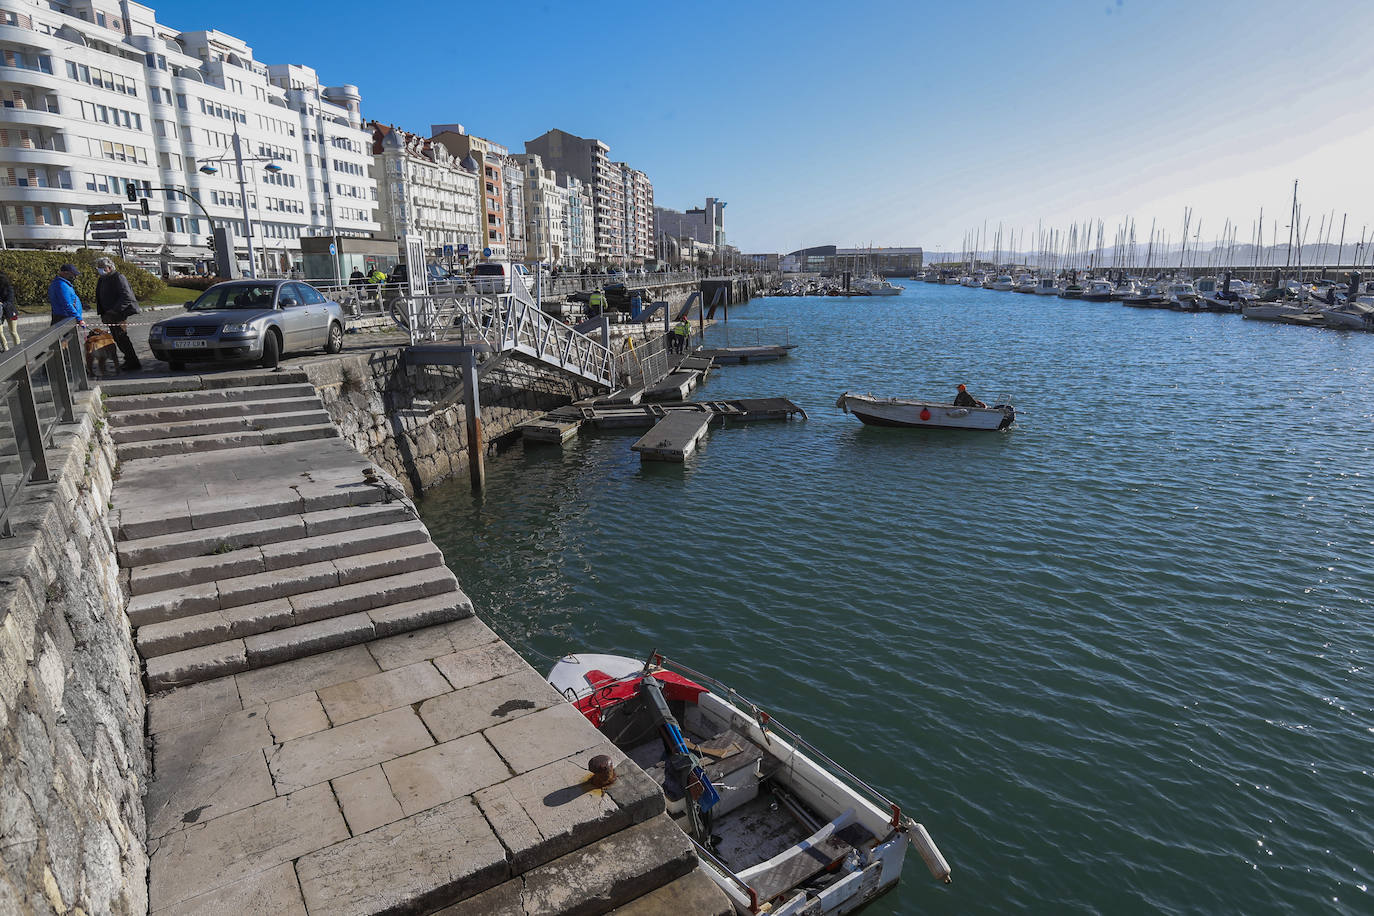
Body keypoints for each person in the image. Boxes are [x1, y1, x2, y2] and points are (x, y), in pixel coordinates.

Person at [94, 257, 142, 371]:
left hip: (118, 314)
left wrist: (114, 311)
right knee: (117, 338)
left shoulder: (118, 277)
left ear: (109, 268)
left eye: (102, 268)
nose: (100, 270)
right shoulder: (102, 279)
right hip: (109, 314)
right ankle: (129, 360)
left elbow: (126, 297)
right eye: (99, 268)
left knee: (122, 337)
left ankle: (133, 361)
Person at [47, 264, 86, 328]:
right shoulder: (61, 285)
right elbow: (67, 304)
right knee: (68, 337)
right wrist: (79, 319)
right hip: (64, 317)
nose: (74, 277)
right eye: (73, 274)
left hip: (66, 316)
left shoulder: (64, 284)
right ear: (65, 273)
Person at [0, 268, 17, 351]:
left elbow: (10, 301)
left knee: (13, 332)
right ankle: (5, 347)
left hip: (10, 311)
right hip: (1, 312)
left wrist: (2, 304)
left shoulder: (9, 288)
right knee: (0, 332)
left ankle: (18, 348)